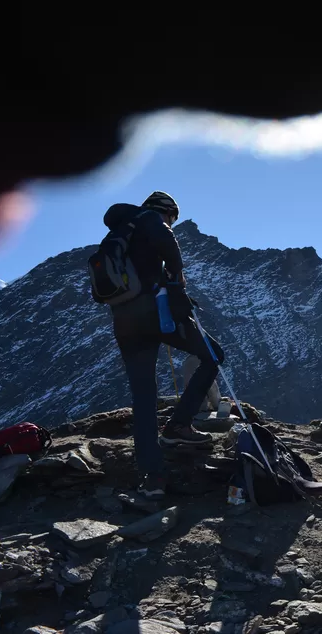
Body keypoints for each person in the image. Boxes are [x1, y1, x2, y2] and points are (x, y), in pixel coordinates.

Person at [107, 191, 225, 499]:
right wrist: (177, 284)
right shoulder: (150, 220)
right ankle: (178, 427)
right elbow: (170, 248)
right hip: (156, 314)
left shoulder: (120, 233)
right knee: (212, 355)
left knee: (143, 397)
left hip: (124, 321)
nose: (171, 223)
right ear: (166, 212)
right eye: (172, 218)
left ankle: (152, 477)